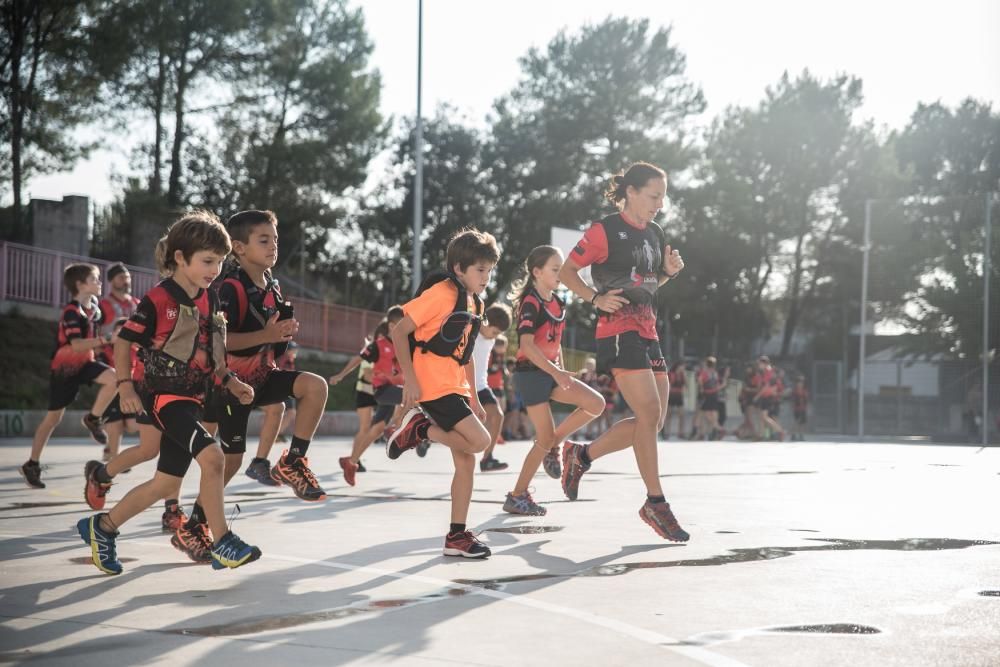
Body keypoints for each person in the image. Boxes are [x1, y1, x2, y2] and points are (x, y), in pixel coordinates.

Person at [76, 210, 261, 574]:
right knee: (214, 458)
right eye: (208, 261)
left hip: (191, 399)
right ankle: (222, 540)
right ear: (180, 258)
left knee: (164, 484)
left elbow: (211, 355)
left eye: (220, 262)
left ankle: (103, 527)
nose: (215, 270)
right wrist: (126, 385)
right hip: (162, 397)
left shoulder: (209, 299)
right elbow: (125, 341)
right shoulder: (159, 299)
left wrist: (231, 382)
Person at [556, 161, 690, 542]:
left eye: (663, 197)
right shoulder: (604, 230)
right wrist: (594, 298)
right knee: (647, 413)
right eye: (653, 196)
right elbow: (567, 272)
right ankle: (655, 502)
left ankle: (581, 456)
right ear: (631, 191)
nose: (659, 204)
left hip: (648, 330)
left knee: (654, 422)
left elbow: (649, 285)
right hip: (618, 330)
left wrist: (668, 273)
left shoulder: (655, 232)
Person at [386, 228, 499, 558]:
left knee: (466, 463)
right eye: (480, 270)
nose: (486, 277)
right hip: (433, 385)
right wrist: (410, 380)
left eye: (490, 271)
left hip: (456, 387)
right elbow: (399, 330)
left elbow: (464, 355)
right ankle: (419, 429)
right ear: (459, 269)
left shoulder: (475, 302)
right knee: (480, 442)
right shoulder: (442, 293)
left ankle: (457, 536)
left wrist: (475, 398)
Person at [211, 210, 328, 504]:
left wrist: (282, 332)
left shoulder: (272, 285)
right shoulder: (231, 287)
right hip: (232, 386)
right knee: (231, 462)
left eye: (275, 239)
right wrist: (267, 335)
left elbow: (271, 335)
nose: (273, 246)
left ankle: (293, 462)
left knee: (316, 387)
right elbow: (220, 342)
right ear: (239, 247)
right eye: (264, 240)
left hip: (263, 376)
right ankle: (198, 516)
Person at [503, 246, 604, 516]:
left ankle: (556, 444)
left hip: (551, 372)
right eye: (555, 269)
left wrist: (559, 368)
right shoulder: (530, 302)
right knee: (543, 436)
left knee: (596, 403)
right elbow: (526, 344)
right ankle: (517, 495)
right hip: (531, 374)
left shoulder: (558, 302)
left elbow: (555, 342)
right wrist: (555, 372)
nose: (561, 273)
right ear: (537, 272)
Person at [20, 264, 117, 488]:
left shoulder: (95, 308)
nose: (100, 282)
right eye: (95, 278)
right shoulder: (71, 312)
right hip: (65, 369)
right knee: (53, 419)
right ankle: (32, 464)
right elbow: (76, 344)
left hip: (86, 362)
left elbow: (92, 342)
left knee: (115, 378)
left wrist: (108, 345)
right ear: (80, 284)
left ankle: (93, 419)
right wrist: (108, 339)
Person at [331, 307, 406, 485]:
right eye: (403, 324)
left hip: (395, 392)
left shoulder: (405, 343)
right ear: (392, 325)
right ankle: (399, 428)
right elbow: (358, 359)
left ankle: (351, 462)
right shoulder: (378, 345)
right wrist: (341, 375)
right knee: (415, 396)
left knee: (377, 429)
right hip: (383, 391)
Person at [471, 304, 514, 472]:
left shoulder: (491, 338)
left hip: (481, 385)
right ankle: (424, 435)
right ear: (485, 322)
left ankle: (487, 459)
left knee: (497, 415)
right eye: (495, 332)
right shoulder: (470, 332)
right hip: (463, 386)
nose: (495, 337)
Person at [753, 356, 785, 441]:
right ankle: (761, 435)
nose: (758, 365)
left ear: (764, 363)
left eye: (760, 363)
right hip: (765, 396)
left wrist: (757, 396)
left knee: (764, 417)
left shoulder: (768, 371)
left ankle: (780, 431)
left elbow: (766, 386)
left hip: (768, 396)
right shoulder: (765, 372)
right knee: (762, 416)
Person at [695, 356, 725, 440]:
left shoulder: (705, 372)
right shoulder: (715, 373)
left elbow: (700, 381)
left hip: (707, 395)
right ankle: (715, 430)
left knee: (704, 413)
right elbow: (717, 384)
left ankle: (718, 429)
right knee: (713, 414)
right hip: (714, 395)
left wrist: (701, 389)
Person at [663, 361, 686, 439]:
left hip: (679, 395)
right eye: (682, 366)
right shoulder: (671, 374)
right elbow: (666, 384)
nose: (683, 368)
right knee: (668, 415)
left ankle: (681, 432)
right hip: (671, 395)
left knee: (681, 415)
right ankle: (667, 432)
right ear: (678, 366)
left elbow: (685, 385)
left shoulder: (682, 375)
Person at [791, 375, 809, 441]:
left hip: (803, 408)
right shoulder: (795, 391)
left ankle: (801, 435)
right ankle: (793, 435)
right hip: (797, 408)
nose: (800, 384)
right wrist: (793, 407)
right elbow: (793, 400)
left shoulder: (804, 390)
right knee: (796, 422)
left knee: (802, 423)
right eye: (799, 382)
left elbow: (806, 399)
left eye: (802, 382)